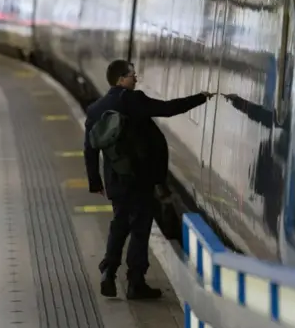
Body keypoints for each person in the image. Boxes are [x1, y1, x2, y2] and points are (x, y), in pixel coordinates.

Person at [83, 59, 214, 299]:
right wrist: (201, 97)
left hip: (115, 179)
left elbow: (90, 149)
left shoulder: (96, 109)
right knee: (140, 228)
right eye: (133, 75)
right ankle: (135, 282)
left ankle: (108, 270)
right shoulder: (133, 100)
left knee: (119, 224)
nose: (136, 79)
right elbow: (168, 108)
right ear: (121, 79)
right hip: (139, 178)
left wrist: (95, 182)